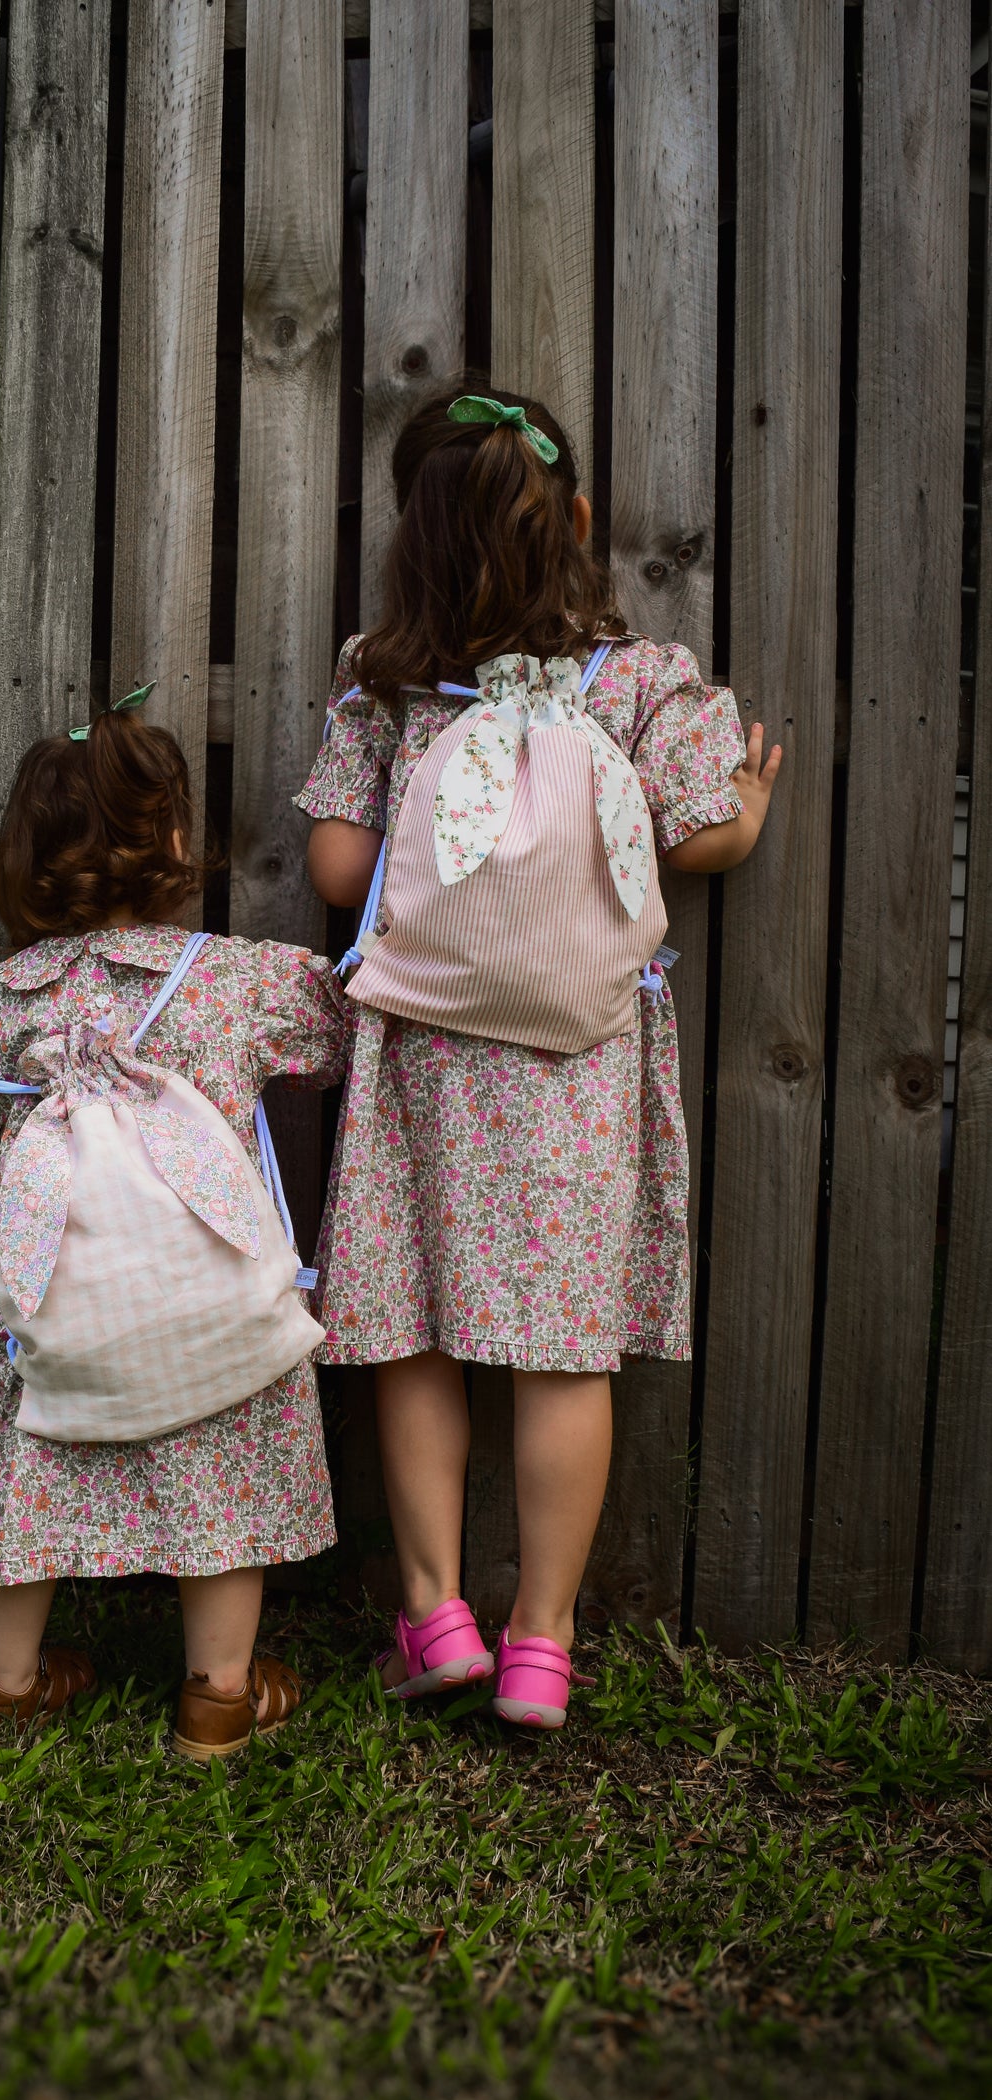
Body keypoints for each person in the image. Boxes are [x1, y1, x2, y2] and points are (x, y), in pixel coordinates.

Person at [295, 383, 780, 1729]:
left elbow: (339, 865)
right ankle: (542, 1645)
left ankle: (436, 1612)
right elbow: (699, 839)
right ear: (574, 522)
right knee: (565, 1357)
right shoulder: (640, 682)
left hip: (426, 1065)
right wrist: (742, 800)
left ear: (415, 544)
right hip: (576, 1063)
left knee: (414, 1342)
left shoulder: (386, 685)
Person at [0, 705, 348, 1758]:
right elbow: (337, 1033)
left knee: (26, 1450)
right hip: (196, 1291)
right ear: (172, 840)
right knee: (220, 1438)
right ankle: (217, 1692)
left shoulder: (5, 998)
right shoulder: (235, 978)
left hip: (63, 1295)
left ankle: (7, 1681)